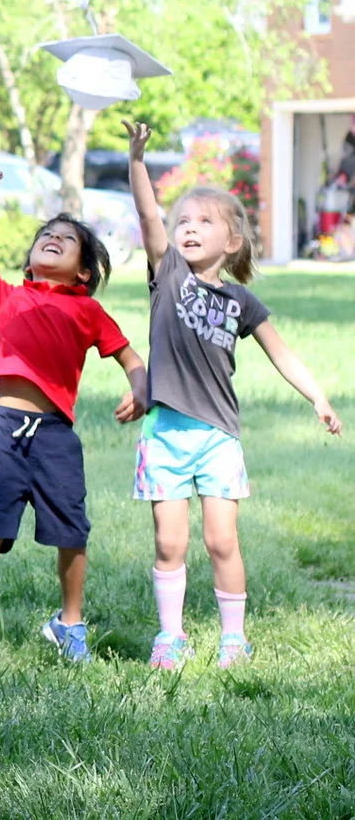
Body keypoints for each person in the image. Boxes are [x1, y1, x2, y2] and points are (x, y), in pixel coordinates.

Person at [123, 122, 340, 670]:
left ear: (232, 241)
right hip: (166, 435)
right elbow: (149, 216)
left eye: (204, 221)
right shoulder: (168, 274)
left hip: (218, 437)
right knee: (170, 545)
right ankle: (170, 637)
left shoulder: (242, 300)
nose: (188, 229)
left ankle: (234, 639)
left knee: (223, 542)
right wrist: (137, 160)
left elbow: (281, 353)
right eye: (184, 222)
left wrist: (318, 396)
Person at [0, 172, 147, 663]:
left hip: (55, 434)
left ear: (83, 272)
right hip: (1, 427)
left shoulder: (88, 311)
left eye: (67, 239)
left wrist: (141, 387)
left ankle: (70, 624)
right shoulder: (7, 294)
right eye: (46, 236)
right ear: (31, 260)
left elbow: (129, 357)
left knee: (71, 528)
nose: (53, 239)